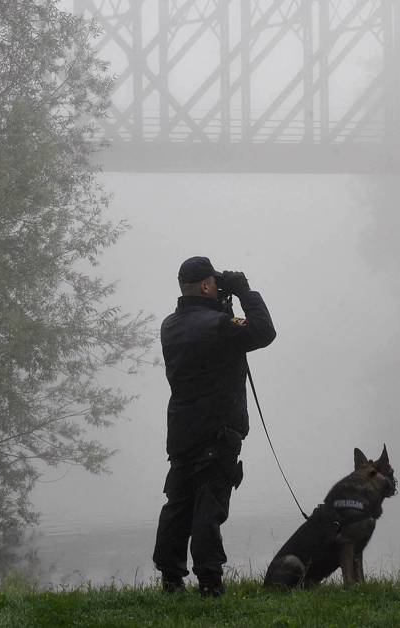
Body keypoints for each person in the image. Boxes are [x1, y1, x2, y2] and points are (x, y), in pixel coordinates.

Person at [152, 256, 276, 597]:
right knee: (209, 506)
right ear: (207, 285)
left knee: (178, 504)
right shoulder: (218, 325)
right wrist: (244, 291)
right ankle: (209, 582)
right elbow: (264, 331)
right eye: (215, 283)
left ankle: (171, 580)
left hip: (181, 431)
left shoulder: (170, 325)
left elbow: (212, 336)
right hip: (217, 431)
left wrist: (222, 304)